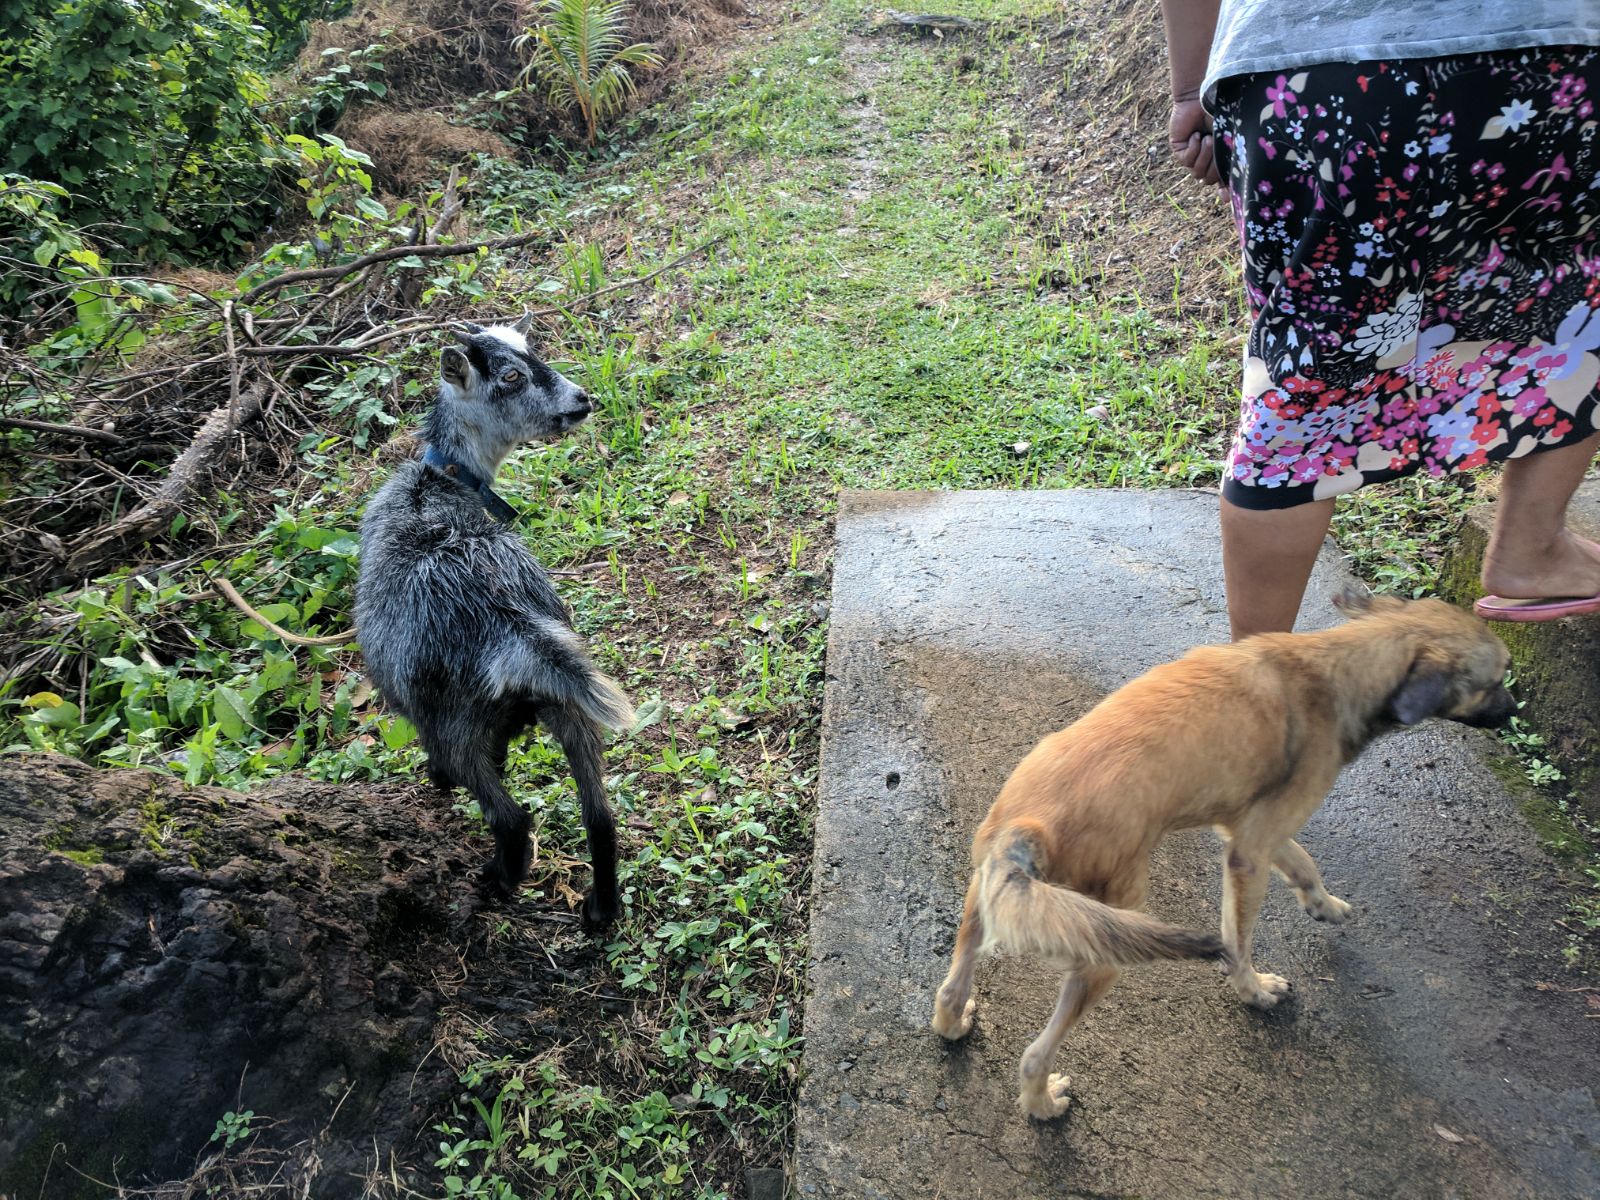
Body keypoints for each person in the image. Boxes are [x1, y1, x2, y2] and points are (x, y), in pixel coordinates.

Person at [1161, 0, 1600, 638]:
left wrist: (1187, 94)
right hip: (1542, 64)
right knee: (1577, 302)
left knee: (1307, 369)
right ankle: (1530, 550)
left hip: (1310, 80)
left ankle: (1258, 680)